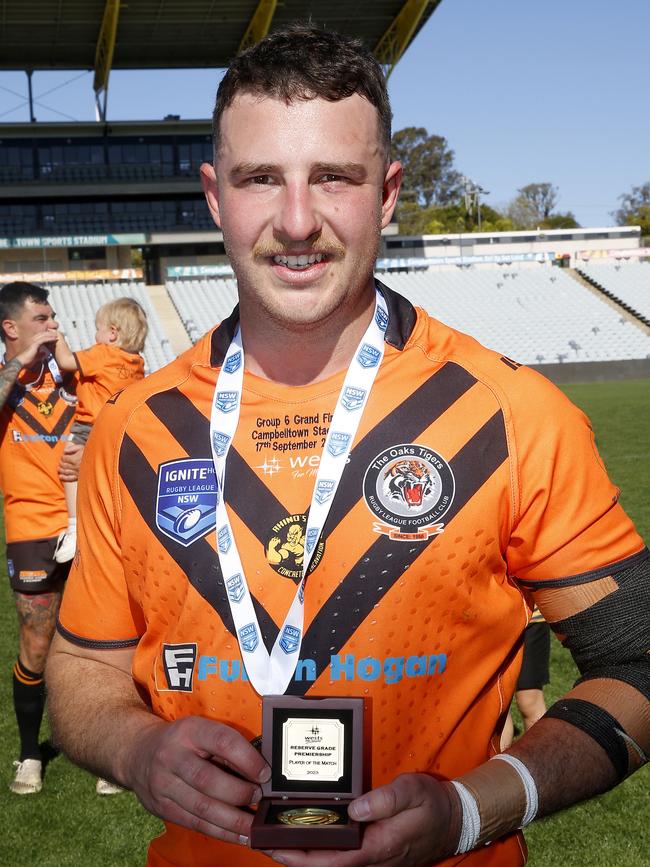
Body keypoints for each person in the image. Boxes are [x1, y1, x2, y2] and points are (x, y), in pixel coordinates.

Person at [46, 24, 649, 867]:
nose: (299, 221)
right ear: (216, 196)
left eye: (334, 176)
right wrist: (132, 747)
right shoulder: (133, 431)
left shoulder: (510, 413)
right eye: (263, 179)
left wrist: (471, 810)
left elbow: (638, 657)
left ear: (390, 192)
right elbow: (82, 663)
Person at [0, 281, 80, 795]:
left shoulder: (72, 371)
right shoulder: (8, 384)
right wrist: (18, 362)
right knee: (36, 640)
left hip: (88, 522)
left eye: (53, 317)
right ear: (11, 328)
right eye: (42, 318)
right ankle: (30, 753)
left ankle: (101, 747)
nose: (53, 325)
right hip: (31, 527)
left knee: (99, 640)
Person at [51, 296, 148, 563]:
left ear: (112, 334)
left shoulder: (103, 353)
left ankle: (73, 529)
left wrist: (57, 336)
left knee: (69, 471)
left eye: (98, 328)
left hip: (88, 425)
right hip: (118, 427)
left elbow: (66, 361)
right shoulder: (136, 362)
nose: (95, 335)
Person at [501, 608, 551, 749]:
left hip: (531, 620)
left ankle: (541, 766)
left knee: (529, 701)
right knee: (499, 708)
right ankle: (497, 765)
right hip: (491, 620)